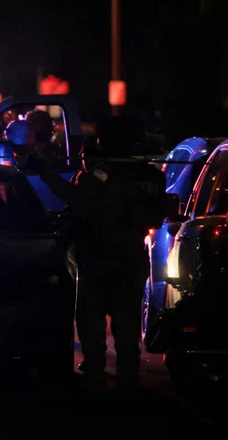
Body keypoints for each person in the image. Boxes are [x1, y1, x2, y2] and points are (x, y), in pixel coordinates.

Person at [44, 117, 167, 394]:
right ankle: (123, 377)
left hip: (100, 259)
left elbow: (76, 200)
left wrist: (46, 174)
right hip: (125, 260)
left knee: (95, 320)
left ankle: (101, 376)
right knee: (122, 323)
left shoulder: (101, 176)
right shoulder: (148, 176)